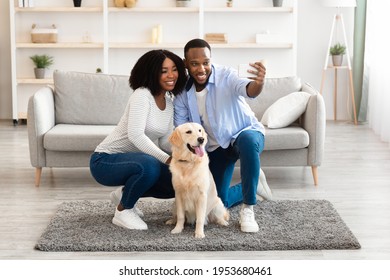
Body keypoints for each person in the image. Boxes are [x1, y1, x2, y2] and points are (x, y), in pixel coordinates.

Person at [174, 38, 273, 233]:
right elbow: (183, 129)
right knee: (218, 202)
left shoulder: (226, 75)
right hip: (216, 147)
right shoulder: (182, 93)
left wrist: (259, 82)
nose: (201, 69)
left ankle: (248, 207)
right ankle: (255, 184)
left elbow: (249, 90)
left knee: (247, 140)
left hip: (244, 134)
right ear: (185, 63)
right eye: (194, 64)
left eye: (206, 62)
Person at [90, 49, 187, 230]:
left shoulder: (169, 102)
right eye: (163, 71)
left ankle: (124, 194)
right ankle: (123, 210)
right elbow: (136, 135)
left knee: (177, 181)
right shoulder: (142, 95)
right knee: (149, 165)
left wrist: (184, 156)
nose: (171, 75)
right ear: (151, 73)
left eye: (174, 69)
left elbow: (165, 141)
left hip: (136, 162)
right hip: (104, 161)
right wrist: (167, 159)